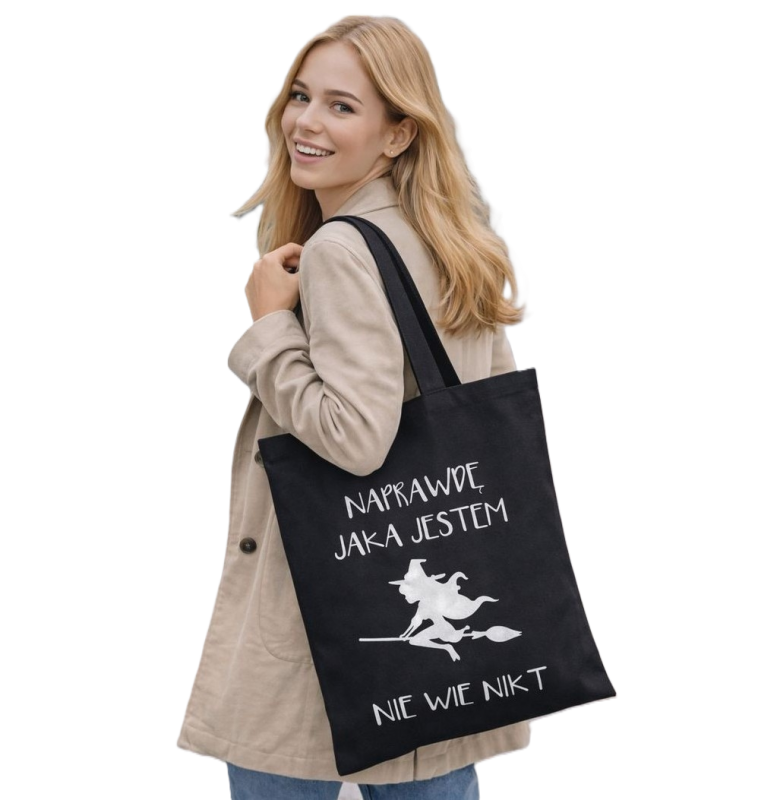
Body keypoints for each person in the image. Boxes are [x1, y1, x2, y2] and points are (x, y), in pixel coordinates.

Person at [174, 13, 533, 800]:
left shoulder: (342, 249)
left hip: (326, 634)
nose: (305, 121)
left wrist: (269, 327)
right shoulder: (454, 242)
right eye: (302, 96)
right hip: (438, 651)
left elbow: (356, 438)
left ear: (398, 133)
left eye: (342, 106)